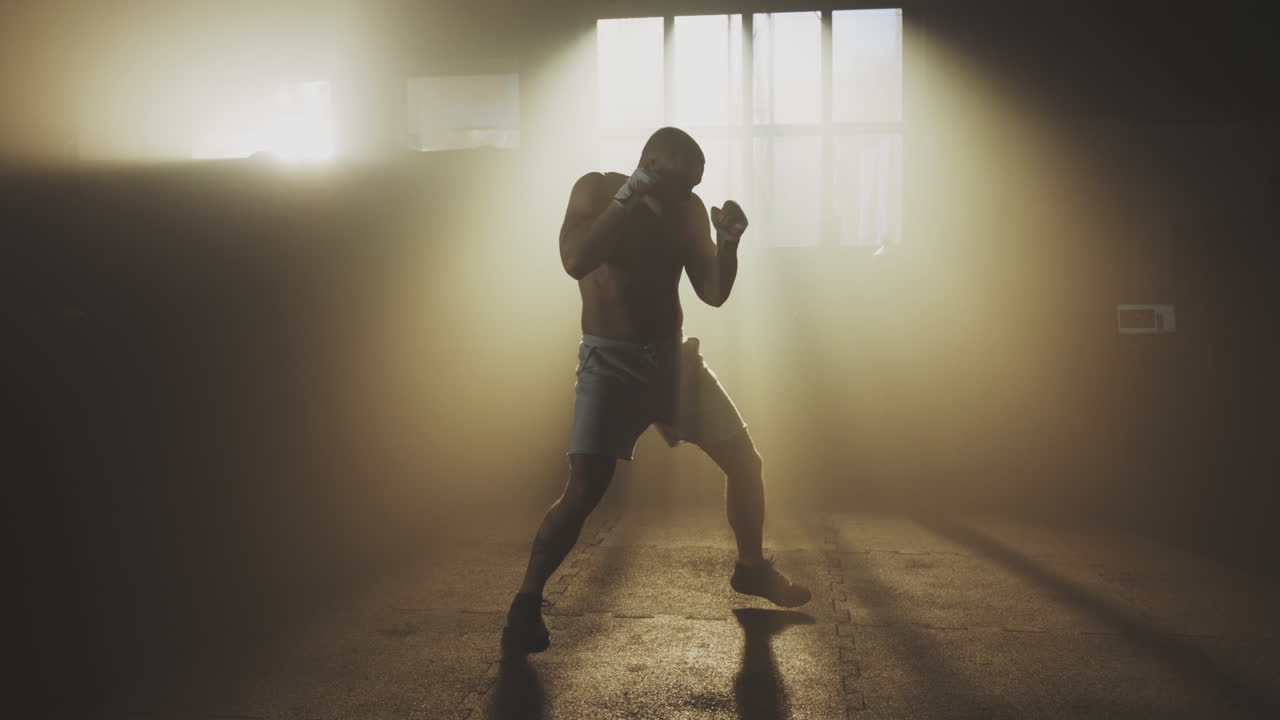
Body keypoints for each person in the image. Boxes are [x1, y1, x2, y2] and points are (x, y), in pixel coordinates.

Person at [502, 127, 810, 658]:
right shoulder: (597, 191)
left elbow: (713, 292)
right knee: (583, 492)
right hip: (609, 364)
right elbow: (576, 260)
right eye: (676, 183)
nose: (684, 195)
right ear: (648, 165)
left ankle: (751, 567)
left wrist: (730, 244)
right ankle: (526, 605)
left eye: (693, 185)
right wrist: (627, 199)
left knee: (745, 462)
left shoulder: (687, 209)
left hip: (673, 363)